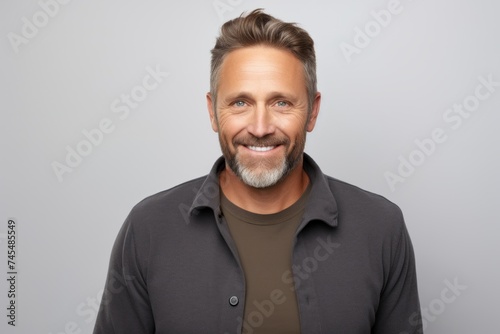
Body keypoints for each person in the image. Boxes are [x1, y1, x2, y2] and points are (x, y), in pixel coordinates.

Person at [93, 9, 423, 334]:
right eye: (240, 103)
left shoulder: (380, 228)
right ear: (212, 112)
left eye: (281, 102)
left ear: (312, 111)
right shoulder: (149, 228)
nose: (261, 127)